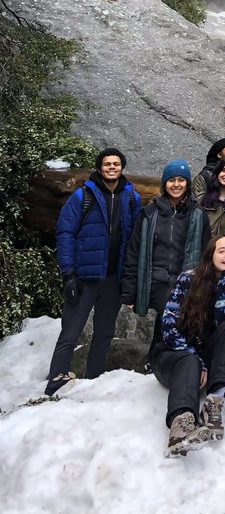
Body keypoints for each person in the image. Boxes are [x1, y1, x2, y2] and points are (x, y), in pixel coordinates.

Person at [45, 148, 143, 396]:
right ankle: (56, 378)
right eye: (107, 164)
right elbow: (65, 233)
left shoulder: (131, 197)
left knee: (105, 332)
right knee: (71, 329)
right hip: (84, 277)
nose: (112, 167)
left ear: (122, 167)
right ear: (99, 168)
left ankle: (93, 379)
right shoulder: (83, 196)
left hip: (112, 278)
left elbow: (134, 238)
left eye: (117, 163)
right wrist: (68, 274)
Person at [150, 235, 225, 456]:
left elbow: (224, 320)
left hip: (201, 356)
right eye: (221, 250)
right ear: (210, 256)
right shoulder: (188, 279)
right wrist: (199, 361)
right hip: (171, 355)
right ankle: (180, 428)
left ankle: (214, 403)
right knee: (190, 360)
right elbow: (168, 328)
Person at [122, 160, 211, 329]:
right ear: (164, 184)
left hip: (185, 283)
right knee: (167, 320)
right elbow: (134, 254)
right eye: (171, 180)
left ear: (188, 183)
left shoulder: (198, 215)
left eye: (181, 180)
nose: (176, 185)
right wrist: (129, 292)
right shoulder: (149, 214)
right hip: (154, 283)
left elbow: (206, 254)